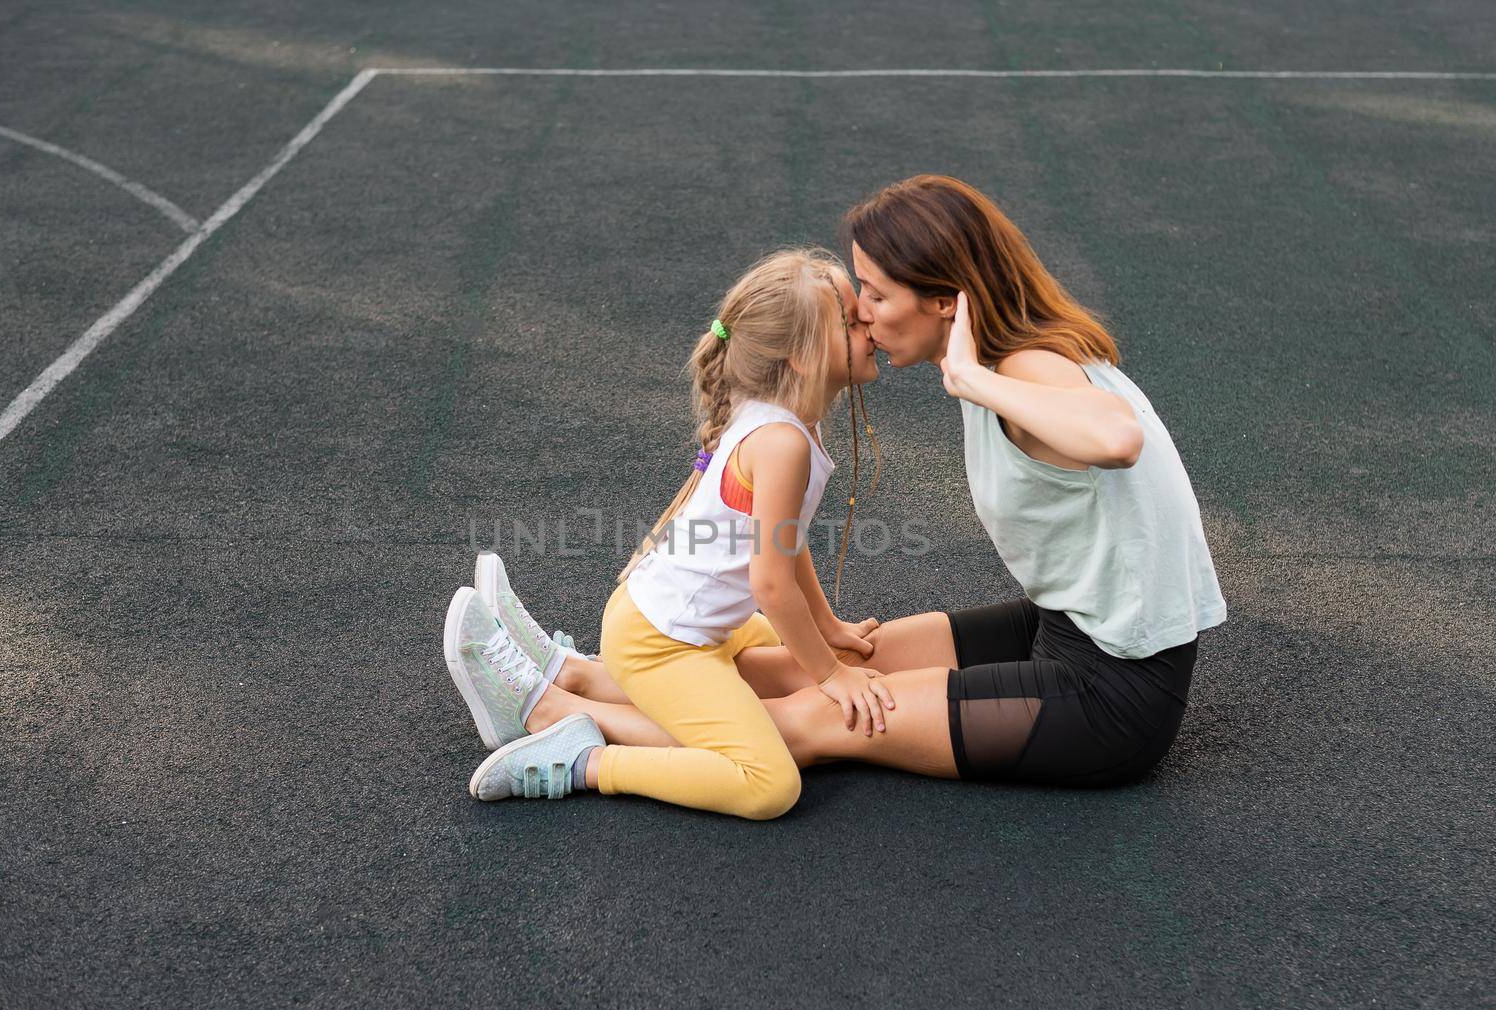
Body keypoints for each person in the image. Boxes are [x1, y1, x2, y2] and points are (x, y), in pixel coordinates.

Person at [451, 173, 1227, 807]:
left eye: (877, 294)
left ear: (946, 301)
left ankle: (562, 722)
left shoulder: (1019, 371)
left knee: (819, 716)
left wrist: (971, 379)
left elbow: (1116, 439)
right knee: (796, 663)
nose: (862, 311)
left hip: (1112, 696)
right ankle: (574, 673)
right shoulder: (1012, 356)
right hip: (1062, 627)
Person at [444, 247, 890, 818]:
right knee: (770, 784)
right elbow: (773, 584)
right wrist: (831, 675)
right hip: (663, 643)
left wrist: (826, 628)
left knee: (781, 659)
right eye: (851, 322)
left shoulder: (787, 419)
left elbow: (786, 539)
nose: (869, 324)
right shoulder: (783, 443)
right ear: (800, 358)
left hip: (672, 623)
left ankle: (566, 673)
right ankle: (587, 758)